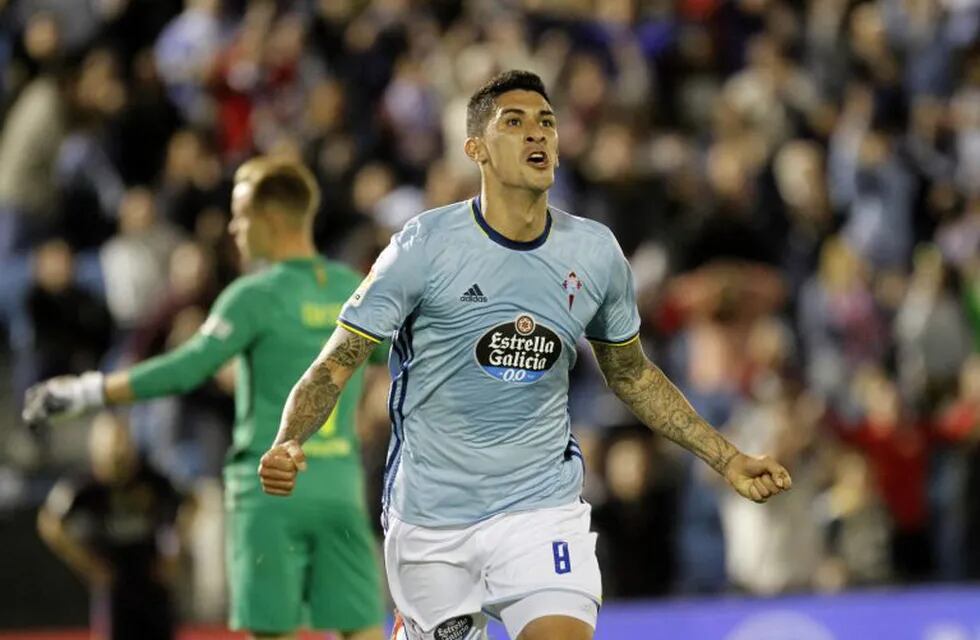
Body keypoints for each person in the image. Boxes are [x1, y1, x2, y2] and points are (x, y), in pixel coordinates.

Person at [257, 70, 793, 640]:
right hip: (433, 520)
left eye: (547, 123)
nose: (536, 134)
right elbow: (337, 362)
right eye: (514, 123)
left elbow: (631, 373)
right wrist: (290, 437)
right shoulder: (423, 246)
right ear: (477, 150)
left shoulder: (594, 252)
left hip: (541, 510)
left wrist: (726, 457)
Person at [23, 157, 386, 640]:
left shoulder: (253, 296)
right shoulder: (352, 289)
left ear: (271, 219)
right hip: (339, 485)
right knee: (360, 631)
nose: (234, 227)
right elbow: (400, 363)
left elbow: (186, 368)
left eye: (241, 214)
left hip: (269, 490)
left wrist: (88, 390)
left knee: (272, 633)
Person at [37, 411, 183, 640]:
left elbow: (189, 504)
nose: (118, 452)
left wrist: (172, 554)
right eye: (110, 444)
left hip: (151, 583)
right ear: (96, 447)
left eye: (122, 442)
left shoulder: (151, 478)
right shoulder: (84, 485)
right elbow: (50, 522)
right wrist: (88, 565)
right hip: (114, 588)